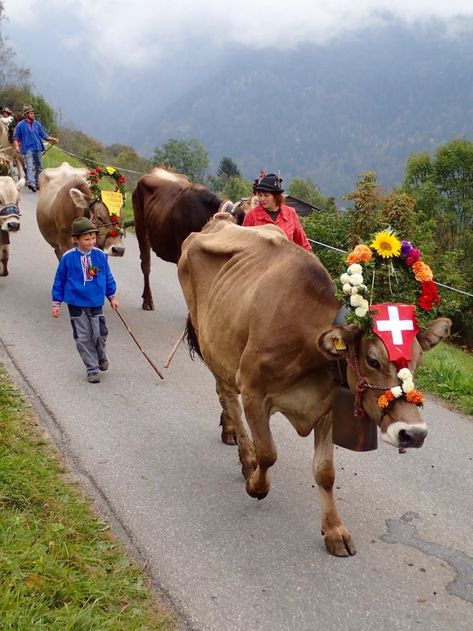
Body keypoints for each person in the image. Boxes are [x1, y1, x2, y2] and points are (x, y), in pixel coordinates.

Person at [51, 217, 119, 383]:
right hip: (76, 304)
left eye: (93, 238)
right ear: (76, 239)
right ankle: (92, 369)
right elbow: (59, 280)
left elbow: (107, 276)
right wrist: (56, 302)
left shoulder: (101, 256)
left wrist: (112, 296)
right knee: (83, 337)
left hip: (96, 302)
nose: (91, 242)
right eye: (87, 239)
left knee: (100, 333)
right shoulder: (68, 258)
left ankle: (101, 355)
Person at [243, 173, 312, 251]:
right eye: (261, 195)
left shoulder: (290, 213)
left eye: (266, 195)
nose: (262, 199)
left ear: (276, 196)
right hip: (260, 262)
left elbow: (303, 244)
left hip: (286, 261)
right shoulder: (252, 216)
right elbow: (243, 244)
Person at [12, 104, 58, 192]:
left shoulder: (37, 124)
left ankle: (38, 183)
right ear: (26, 114)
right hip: (27, 149)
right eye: (31, 113)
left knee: (39, 167)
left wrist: (53, 139)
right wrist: (17, 146)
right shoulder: (20, 125)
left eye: (33, 113)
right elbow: (16, 137)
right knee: (29, 166)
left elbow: (44, 135)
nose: (33, 114)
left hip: (37, 148)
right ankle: (32, 183)